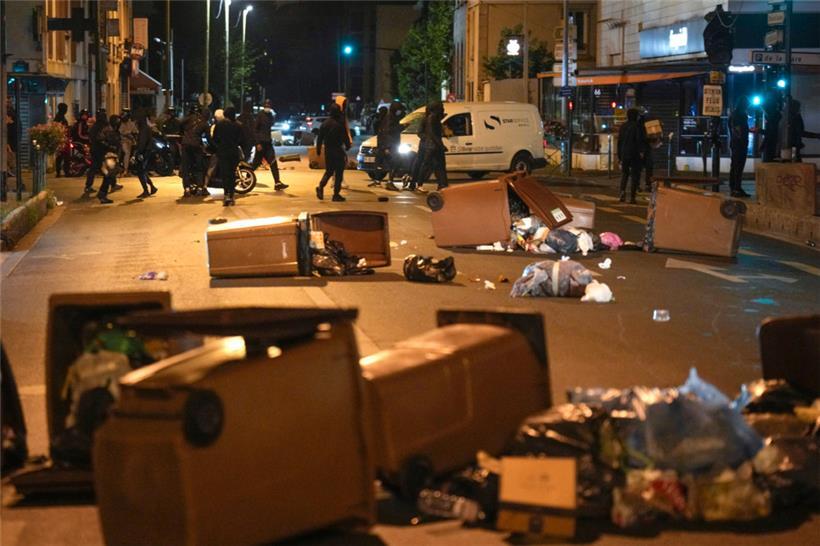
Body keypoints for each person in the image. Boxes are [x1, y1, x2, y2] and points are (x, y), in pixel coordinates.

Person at [315, 103, 351, 202]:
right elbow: (345, 137)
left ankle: (320, 186)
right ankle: (336, 194)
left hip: (328, 151)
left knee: (329, 171)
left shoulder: (325, 123)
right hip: (338, 150)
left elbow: (319, 138)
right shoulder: (340, 124)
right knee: (339, 173)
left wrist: (318, 150)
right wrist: (347, 146)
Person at [408, 101, 448, 192]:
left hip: (431, 145)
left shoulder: (433, 118)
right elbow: (431, 133)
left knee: (437, 165)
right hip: (431, 146)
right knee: (426, 165)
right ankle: (419, 184)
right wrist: (440, 144)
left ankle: (442, 184)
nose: (442, 108)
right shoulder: (431, 118)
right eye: (441, 107)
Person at [212, 106, 245, 206]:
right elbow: (241, 140)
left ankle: (226, 194)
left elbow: (215, 139)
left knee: (225, 174)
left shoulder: (220, 125)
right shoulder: (239, 125)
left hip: (223, 152)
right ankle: (231, 194)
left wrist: (219, 146)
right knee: (232, 174)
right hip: (233, 152)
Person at [252, 100, 288, 190]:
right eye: (266, 105)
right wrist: (257, 143)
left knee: (273, 162)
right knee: (256, 163)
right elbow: (255, 130)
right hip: (261, 143)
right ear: (263, 106)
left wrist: (273, 116)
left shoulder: (270, 115)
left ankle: (277, 182)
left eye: (269, 105)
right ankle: (246, 178)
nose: (267, 106)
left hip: (268, 143)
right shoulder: (260, 115)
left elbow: (271, 124)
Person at [617, 108, 645, 204]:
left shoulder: (623, 126)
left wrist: (619, 155)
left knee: (624, 174)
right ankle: (632, 197)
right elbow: (639, 140)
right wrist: (641, 152)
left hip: (624, 154)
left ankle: (622, 192)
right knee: (634, 175)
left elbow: (619, 141)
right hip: (635, 154)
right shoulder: (637, 126)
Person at [180, 106, 209, 197]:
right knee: (199, 167)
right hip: (197, 145)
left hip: (185, 144)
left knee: (185, 167)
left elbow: (180, 124)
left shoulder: (188, 119)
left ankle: (187, 189)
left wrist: (183, 133)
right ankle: (200, 188)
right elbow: (208, 138)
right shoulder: (204, 122)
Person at [97, 115, 123, 204]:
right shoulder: (108, 130)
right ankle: (102, 194)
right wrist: (110, 147)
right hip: (108, 155)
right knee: (108, 175)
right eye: (117, 121)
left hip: (112, 155)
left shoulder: (113, 130)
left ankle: (102, 193)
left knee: (110, 175)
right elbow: (101, 141)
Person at [729, 96, 751, 198]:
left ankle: (735, 187)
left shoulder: (735, 114)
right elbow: (737, 130)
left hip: (736, 144)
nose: (748, 106)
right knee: (738, 166)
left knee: (735, 166)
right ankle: (736, 188)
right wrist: (742, 140)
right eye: (747, 104)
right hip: (739, 145)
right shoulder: (739, 115)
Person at [133, 111, 158, 199]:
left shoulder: (143, 129)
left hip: (144, 152)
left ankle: (146, 190)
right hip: (147, 151)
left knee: (140, 171)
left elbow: (142, 143)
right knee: (142, 170)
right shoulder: (146, 128)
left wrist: (139, 152)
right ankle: (152, 187)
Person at [760, 92, 781, 163]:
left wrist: (759, 130)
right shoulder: (776, 116)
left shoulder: (773, 117)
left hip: (770, 145)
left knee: (768, 162)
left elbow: (770, 133)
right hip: (772, 144)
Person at [119, 108, 138, 176]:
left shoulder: (131, 123)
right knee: (127, 153)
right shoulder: (121, 123)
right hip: (123, 141)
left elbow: (136, 132)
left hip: (131, 142)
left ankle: (132, 169)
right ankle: (125, 169)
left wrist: (133, 137)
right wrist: (128, 134)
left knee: (134, 153)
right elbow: (121, 132)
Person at [53, 103, 70, 177]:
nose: (66, 110)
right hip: (61, 138)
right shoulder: (59, 117)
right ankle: (63, 171)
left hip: (61, 138)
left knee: (61, 156)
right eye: (65, 109)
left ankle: (60, 171)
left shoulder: (60, 116)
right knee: (64, 156)